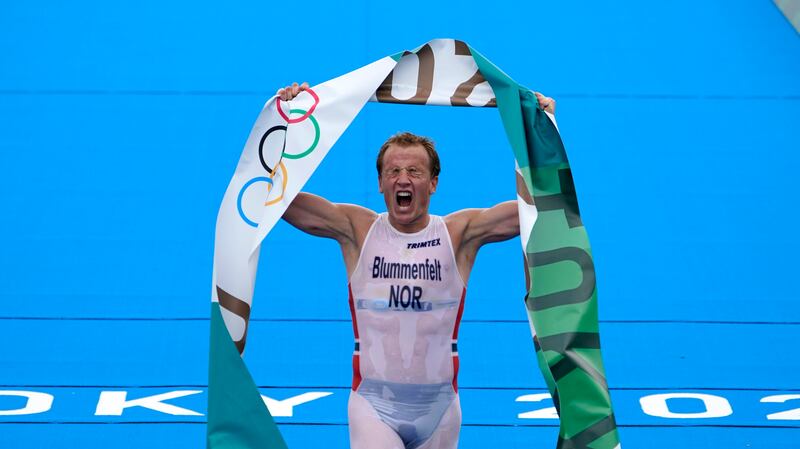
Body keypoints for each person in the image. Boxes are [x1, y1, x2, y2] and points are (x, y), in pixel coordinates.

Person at [277, 82, 556, 449]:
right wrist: (286, 124)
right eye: (393, 172)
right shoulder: (357, 230)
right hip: (372, 407)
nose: (403, 179)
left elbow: (536, 208)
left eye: (414, 171)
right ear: (380, 183)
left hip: (440, 413)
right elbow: (273, 197)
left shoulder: (459, 235)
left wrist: (542, 128)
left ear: (433, 183)